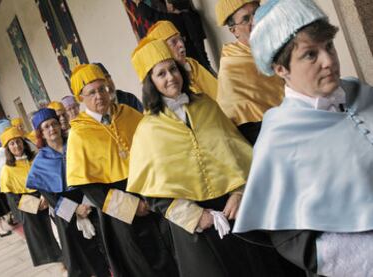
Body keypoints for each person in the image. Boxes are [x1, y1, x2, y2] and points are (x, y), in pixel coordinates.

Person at [128, 37, 301, 277]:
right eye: (161, 74)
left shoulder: (206, 105)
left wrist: (240, 192)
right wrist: (197, 217)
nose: (171, 77)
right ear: (150, 83)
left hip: (236, 211)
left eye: (173, 69)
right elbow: (154, 193)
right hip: (197, 229)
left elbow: (238, 152)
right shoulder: (148, 130)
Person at [233, 0, 373, 276]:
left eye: (329, 46)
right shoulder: (279, 141)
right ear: (280, 68)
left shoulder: (362, 94)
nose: (329, 61)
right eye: (310, 54)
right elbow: (302, 245)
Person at [67, 63, 177, 277]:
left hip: (152, 194)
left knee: (171, 249)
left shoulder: (128, 114)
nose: (99, 96)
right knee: (140, 263)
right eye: (91, 92)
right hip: (119, 209)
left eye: (102, 89)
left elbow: (154, 150)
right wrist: (131, 206)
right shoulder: (79, 133)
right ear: (81, 98)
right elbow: (90, 188)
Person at [26, 108, 111, 277]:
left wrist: (88, 202)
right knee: (82, 259)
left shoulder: (75, 144)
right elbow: (51, 199)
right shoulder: (40, 162)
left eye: (54, 124)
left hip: (91, 202)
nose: (52, 129)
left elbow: (93, 173)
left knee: (106, 250)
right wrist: (75, 210)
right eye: (46, 127)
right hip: (66, 214)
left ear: (59, 125)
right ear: (41, 133)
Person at [214, 0, 284, 144]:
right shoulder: (231, 68)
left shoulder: (277, 40)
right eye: (246, 19)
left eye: (257, 13)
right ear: (233, 30)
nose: (256, 21)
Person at [0, 126, 62, 266]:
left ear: (23, 142)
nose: (16, 146)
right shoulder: (7, 170)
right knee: (47, 240)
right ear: (8, 148)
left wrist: (46, 197)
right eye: (12, 143)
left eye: (18, 141)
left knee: (61, 234)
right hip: (31, 209)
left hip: (49, 198)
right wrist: (37, 205)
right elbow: (13, 199)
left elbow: (49, 177)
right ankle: (62, 266)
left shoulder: (37, 157)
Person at [133, 0, 213, 73]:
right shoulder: (194, 16)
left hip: (191, 68)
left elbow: (150, 15)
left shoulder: (172, 20)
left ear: (171, 6)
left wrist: (138, 3)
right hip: (205, 65)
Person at [146, 20, 218, 100]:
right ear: (163, 50)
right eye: (174, 42)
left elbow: (218, 92)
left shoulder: (191, 64)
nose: (181, 44)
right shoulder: (167, 81)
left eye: (180, 39)